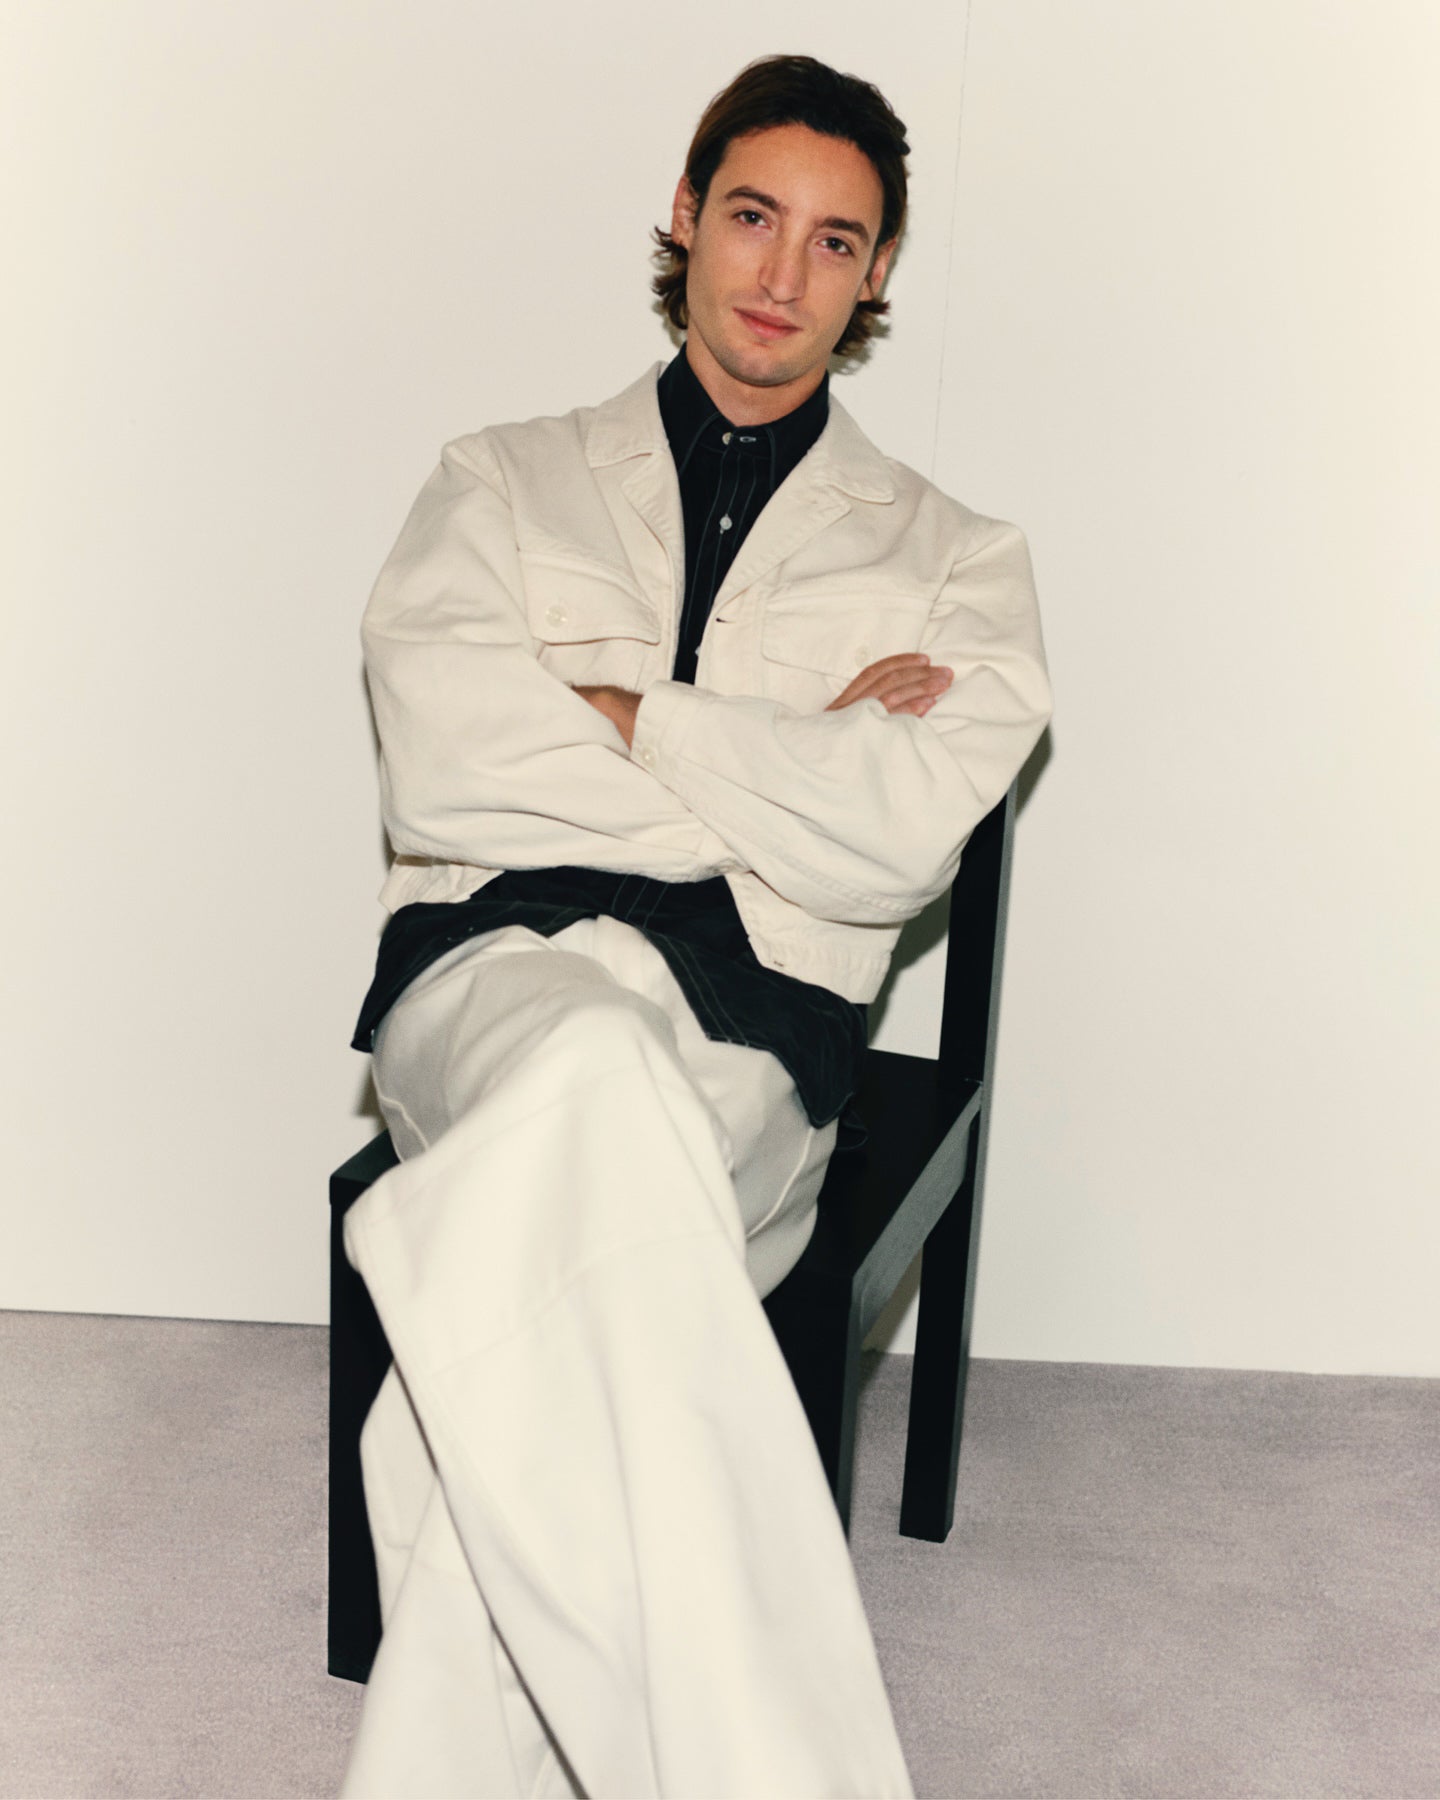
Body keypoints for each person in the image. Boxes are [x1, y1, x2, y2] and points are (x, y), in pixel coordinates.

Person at [340, 53, 1050, 1800]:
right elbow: (451, 761)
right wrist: (790, 770)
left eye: (835, 241)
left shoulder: (960, 559)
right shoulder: (501, 479)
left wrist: (627, 715)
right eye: (751, 216)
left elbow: (900, 844)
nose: (782, 275)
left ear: (878, 273)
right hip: (490, 973)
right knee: (583, 1068)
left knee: (579, 1155)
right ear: (685, 212)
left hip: (754, 1031)